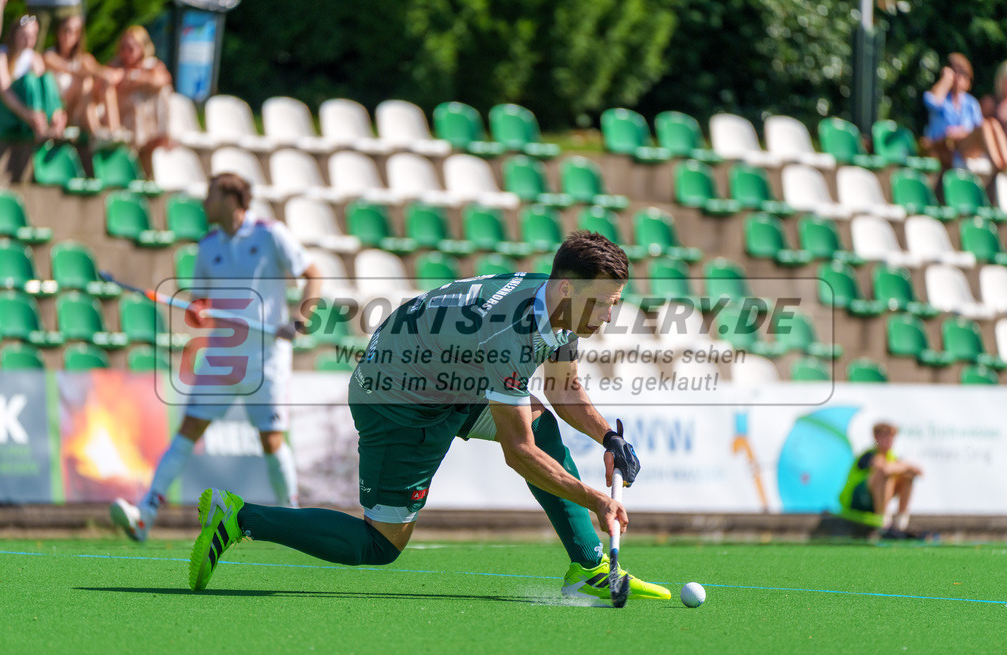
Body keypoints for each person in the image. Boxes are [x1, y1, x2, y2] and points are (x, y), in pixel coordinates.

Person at [186, 231, 672, 602]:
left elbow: (563, 389)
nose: (609, 316)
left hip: (452, 381)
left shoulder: (557, 305)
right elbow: (518, 453)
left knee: (541, 423)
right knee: (380, 544)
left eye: (613, 304)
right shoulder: (511, 332)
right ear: (567, 287)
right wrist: (594, 499)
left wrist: (609, 438)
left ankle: (588, 568)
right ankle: (240, 517)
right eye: (604, 304)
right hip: (400, 401)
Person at [110, 173, 323, 541]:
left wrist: (301, 318)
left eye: (210, 195)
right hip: (222, 356)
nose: (204, 203)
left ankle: (293, 521)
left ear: (229, 198)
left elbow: (314, 274)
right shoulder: (207, 246)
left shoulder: (271, 234)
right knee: (188, 430)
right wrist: (198, 310)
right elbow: (200, 306)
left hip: (266, 357)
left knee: (271, 439)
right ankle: (145, 514)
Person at [0, 14, 67, 140]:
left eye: (32, 36)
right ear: (14, 34)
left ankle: (54, 122)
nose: (28, 40)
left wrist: (58, 111)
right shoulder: (0, 56)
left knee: (47, 77)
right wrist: (27, 114)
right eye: (24, 35)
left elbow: (44, 86)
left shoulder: (33, 57)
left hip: (16, 112)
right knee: (29, 80)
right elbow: (4, 91)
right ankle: (39, 129)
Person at [921, 52, 1007, 173]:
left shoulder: (971, 103)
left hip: (963, 148)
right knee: (984, 126)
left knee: (992, 123)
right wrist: (945, 80)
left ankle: (1003, 164)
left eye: (963, 74)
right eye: (955, 72)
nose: (958, 77)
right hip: (942, 148)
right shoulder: (942, 97)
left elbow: (976, 131)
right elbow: (931, 102)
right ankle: (999, 167)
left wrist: (960, 132)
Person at [43, 14, 122, 139]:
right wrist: (92, 72)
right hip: (62, 110)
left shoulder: (84, 59)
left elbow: (103, 73)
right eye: (66, 30)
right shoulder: (50, 56)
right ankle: (95, 133)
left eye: (74, 32)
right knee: (85, 82)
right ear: (58, 32)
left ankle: (114, 131)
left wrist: (108, 75)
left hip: (81, 108)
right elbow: (71, 70)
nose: (69, 35)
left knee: (105, 85)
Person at [838, 422, 923, 537]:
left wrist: (903, 467)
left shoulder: (893, 457)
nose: (889, 440)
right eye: (885, 436)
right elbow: (884, 469)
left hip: (874, 501)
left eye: (891, 437)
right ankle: (882, 521)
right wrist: (905, 467)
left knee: (907, 478)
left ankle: (900, 523)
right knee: (885, 475)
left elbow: (918, 472)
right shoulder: (868, 455)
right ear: (876, 438)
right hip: (857, 500)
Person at [107, 25, 171, 175]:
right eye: (124, 47)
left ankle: (159, 137)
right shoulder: (117, 65)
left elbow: (163, 80)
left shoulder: (152, 65)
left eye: (131, 47)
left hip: (149, 125)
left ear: (142, 47)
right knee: (136, 101)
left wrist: (138, 79)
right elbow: (110, 79)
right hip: (125, 121)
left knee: (163, 93)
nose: (127, 52)